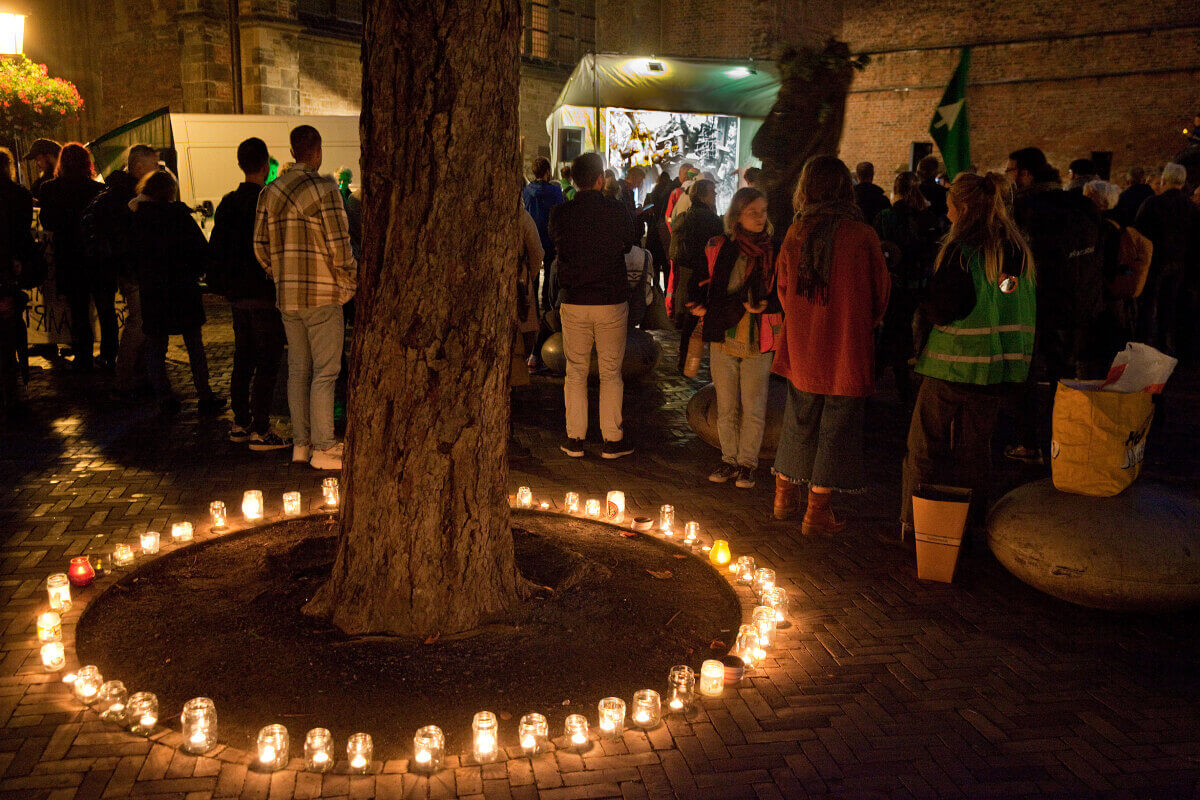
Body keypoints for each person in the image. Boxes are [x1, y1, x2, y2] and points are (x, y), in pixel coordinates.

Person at [900, 172, 1036, 538]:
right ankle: (971, 530)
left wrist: (923, 304)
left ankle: (914, 529)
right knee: (975, 454)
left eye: (949, 208)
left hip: (951, 365)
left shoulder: (963, 251)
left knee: (923, 449)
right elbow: (1007, 300)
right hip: (996, 371)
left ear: (961, 207)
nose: (946, 216)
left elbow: (946, 308)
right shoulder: (1017, 249)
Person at [771, 156, 890, 531]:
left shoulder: (796, 233)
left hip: (805, 343)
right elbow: (880, 294)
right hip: (845, 345)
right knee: (837, 427)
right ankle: (816, 512)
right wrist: (856, 321)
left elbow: (784, 289)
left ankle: (783, 497)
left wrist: (806, 317)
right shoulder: (862, 235)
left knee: (799, 417)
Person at [254, 125, 357, 470]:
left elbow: (260, 247)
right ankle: (324, 448)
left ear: (293, 149)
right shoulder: (323, 190)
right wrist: (349, 280)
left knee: (298, 369)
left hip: (288, 296)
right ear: (317, 150)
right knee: (326, 373)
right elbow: (340, 246)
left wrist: (280, 273)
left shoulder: (270, 192)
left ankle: (301, 444)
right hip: (322, 293)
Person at [1004, 146, 1102, 463]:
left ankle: (1028, 444)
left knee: (1025, 375)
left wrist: (1005, 293)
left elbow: (1012, 261)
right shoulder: (1081, 204)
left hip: (1033, 305)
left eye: (1011, 171)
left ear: (1026, 174)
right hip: (1075, 303)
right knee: (1064, 375)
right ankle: (1065, 442)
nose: (1009, 177)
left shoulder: (1024, 206)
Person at [548, 151, 638, 459]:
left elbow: (556, 245)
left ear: (574, 179)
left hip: (574, 299)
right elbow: (630, 240)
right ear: (600, 179)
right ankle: (612, 438)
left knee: (576, 371)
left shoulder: (560, 213)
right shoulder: (615, 210)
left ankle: (575, 438)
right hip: (610, 298)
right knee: (611, 371)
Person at [689, 187, 779, 488]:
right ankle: (728, 459)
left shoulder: (772, 250)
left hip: (759, 337)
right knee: (726, 406)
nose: (759, 217)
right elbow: (705, 284)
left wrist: (767, 305)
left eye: (762, 211)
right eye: (752, 211)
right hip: (724, 334)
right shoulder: (722, 246)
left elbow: (783, 293)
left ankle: (747, 464)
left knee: (754, 406)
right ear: (737, 215)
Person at [208, 137, 289, 449]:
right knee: (268, 361)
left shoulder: (229, 202)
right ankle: (261, 427)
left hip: (239, 296)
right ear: (265, 163)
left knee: (243, 358)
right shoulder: (269, 201)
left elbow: (217, 248)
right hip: (265, 292)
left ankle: (240, 422)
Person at [129, 170, 223, 415]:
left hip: (153, 290)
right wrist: (196, 272)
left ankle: (164, 396)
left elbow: (131, 256)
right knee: (194, 345)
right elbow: (202, 251)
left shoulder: (138, 220)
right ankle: (205, 394)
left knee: (156, 347)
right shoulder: (179, 216)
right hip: (182, 289)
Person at [81, 144, 159, 397]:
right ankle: (126, 376)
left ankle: (136, 373)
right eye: (153, 166)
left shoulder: (116, 192)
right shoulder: (126, 196)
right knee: (139, 322)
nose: (157, 171)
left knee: (141, 322)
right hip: (132, 268)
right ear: (137, 167)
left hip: (129, 266)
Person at [873, 171, 948, 405]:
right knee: (903, 325)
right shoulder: (927, 218)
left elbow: (877, 248)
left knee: (893, 328)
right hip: (919, 283)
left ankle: (887, 378)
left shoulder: (886, 217)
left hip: (894, 281)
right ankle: (900, 379)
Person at [38, 143, 112, 372]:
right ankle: (110, 354)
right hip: (96, 257)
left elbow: (47, 222)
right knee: (105, 308)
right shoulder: (98, 190)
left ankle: (83, 356)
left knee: (78, 310)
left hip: (69, 257)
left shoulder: (49, 189)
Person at [1134, 163, 1196, 353]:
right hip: (1180, 263)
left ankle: (1145, 346)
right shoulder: (1192, 207)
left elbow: (1138, 234)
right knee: (1170, 304)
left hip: (1154, 262)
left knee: (1148, 304)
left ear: (1164, 180)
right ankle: (1166, 344)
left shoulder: (1152, 204)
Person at [1084, 180, 1149, 356]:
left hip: (1105, 295)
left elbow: (1104, 262)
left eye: (1087, 196)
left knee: (1102, 347)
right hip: (1117, 295)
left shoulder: (1100, 227)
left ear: (1099, 200)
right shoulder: (1118, 223)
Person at [669, 179, 723, 370]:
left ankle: (685, 360)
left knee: (691, 319)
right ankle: (698, 362)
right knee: (700, 316)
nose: (715, 194)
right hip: (704, 273)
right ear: (703, 195)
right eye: (712, 191)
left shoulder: (689, 215)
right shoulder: (709, 218)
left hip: (691, 272)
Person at [0, 148, 34, 414]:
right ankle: (18, 381)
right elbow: (23, 232)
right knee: (12, 328)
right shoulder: (20, 195)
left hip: (6, 268)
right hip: (10, 270)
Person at [521, 156, 565, 313]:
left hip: (531, 238)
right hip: (549, 238)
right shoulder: (555, 192)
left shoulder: (526, 191)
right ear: (547, 172)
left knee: (532, 273)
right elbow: (560, 214)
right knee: (548, 273)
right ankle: (546, 306)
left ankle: (532, 305)